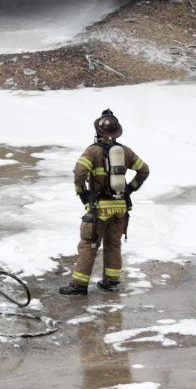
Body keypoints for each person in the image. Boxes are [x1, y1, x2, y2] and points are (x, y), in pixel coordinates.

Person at [60, 110, 149, 295]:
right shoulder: (125, 151)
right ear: (117, 133)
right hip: (120, 208)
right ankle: (111, 281)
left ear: (98, 132)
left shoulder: (92, 151)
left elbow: (79, 173)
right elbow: (144, 170)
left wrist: (82, 193)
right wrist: (130, 189)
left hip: (99, 208)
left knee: (89, 244)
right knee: (113, 244)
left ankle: (79, 285)